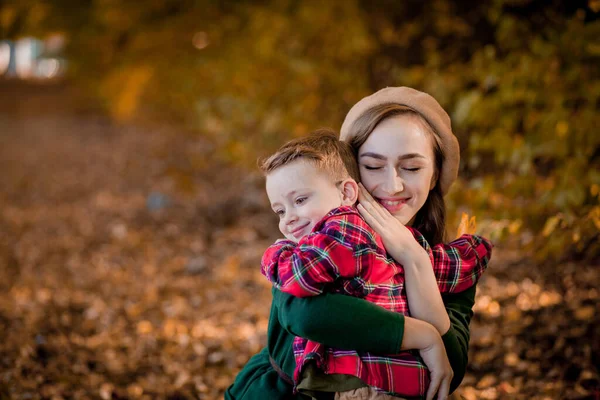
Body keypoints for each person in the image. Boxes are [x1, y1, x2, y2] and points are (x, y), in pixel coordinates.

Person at [225, 86, 490, 400]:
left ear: (434, 175)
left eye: (413, 167)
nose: (392, 186)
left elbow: (450, 370)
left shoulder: (449, 261)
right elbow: (307, 315)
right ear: (348, 174)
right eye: (373, 166)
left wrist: (414, 259)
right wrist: (424, 334)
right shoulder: (320, 236)